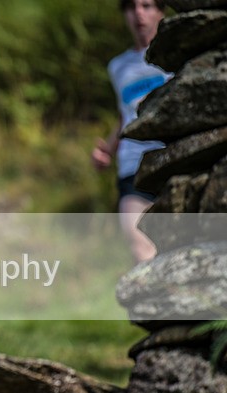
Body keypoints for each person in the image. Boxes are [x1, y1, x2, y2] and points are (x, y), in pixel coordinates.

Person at [91, 0, 170, 263]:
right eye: (131, 7)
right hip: (132, 166)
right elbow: (125, 116)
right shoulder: (118, 67)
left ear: (161, 11)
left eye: (147, 5)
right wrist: (108, 150)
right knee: (140, 247)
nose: (138, 13)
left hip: (172, 157)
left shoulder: (175, 55)